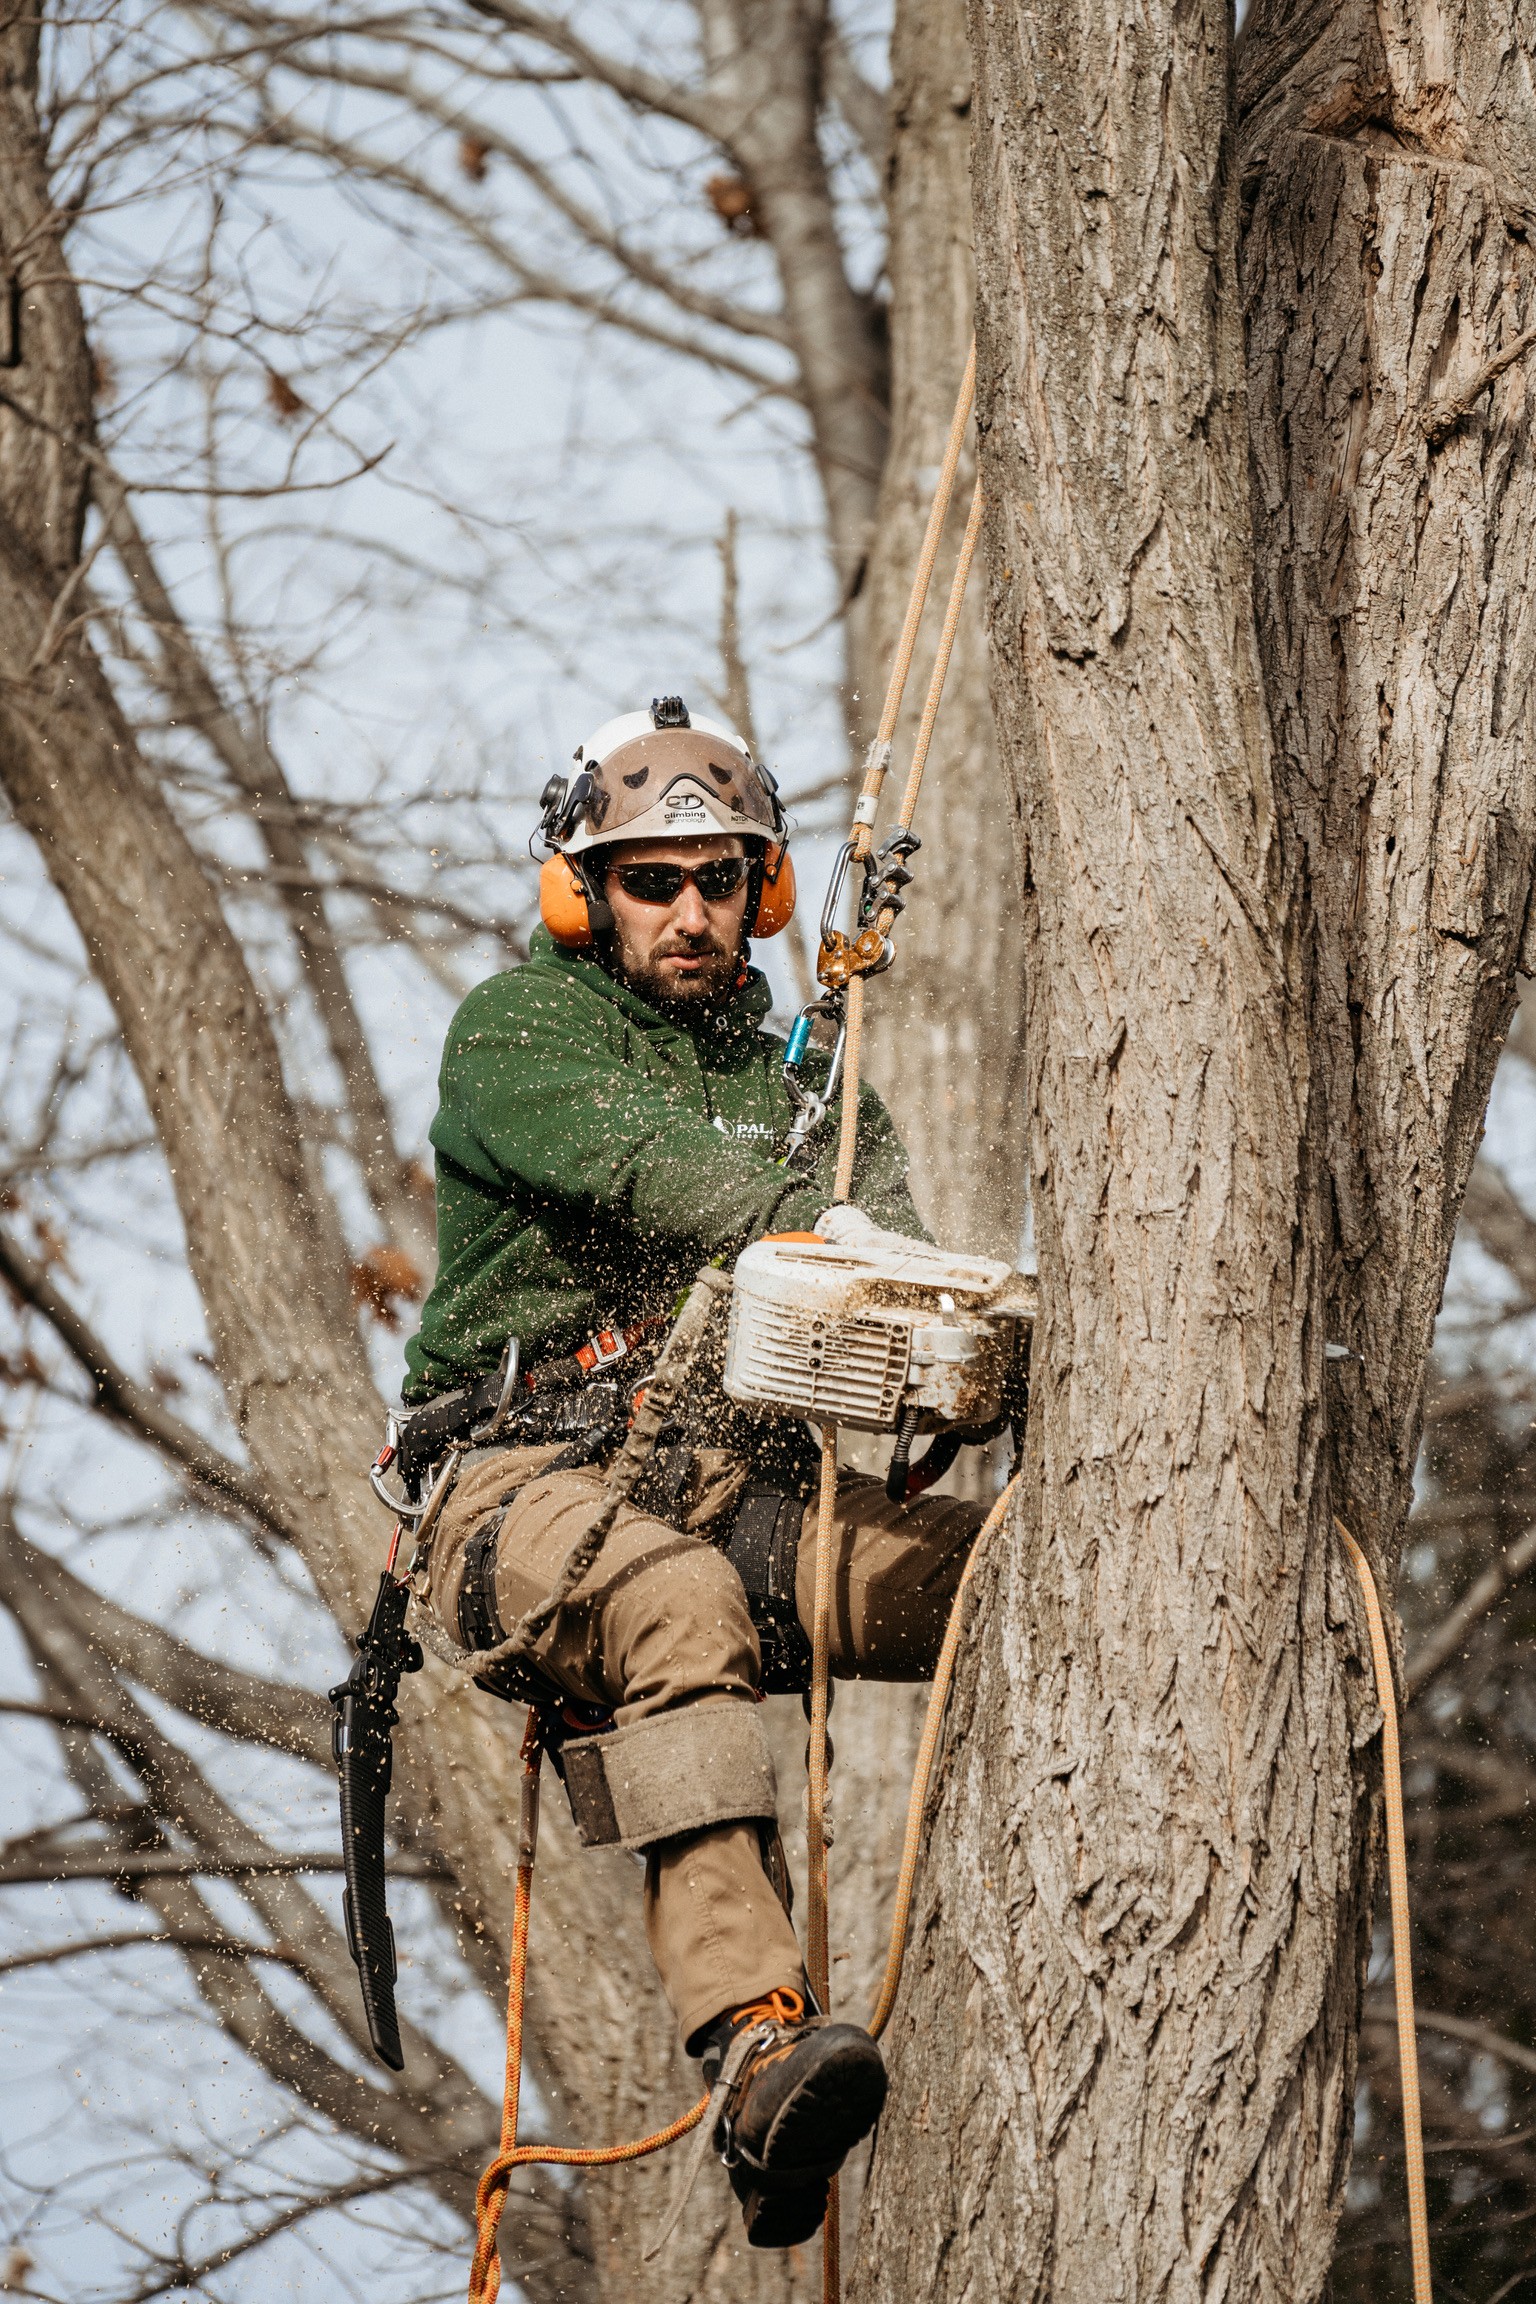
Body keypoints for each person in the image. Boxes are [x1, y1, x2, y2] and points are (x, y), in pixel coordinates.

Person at [403, 696, 988, 2248]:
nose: (688, 909)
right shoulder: (520, 1033)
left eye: (718, 878)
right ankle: (756, 2052)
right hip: (518, 1486)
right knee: (667, 1603)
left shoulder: (811, 1086)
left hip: (728, 1486)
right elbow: (653, 1170)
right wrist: (817, 1213)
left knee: (1000, 1578)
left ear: (764, 891)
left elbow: (898, 1239)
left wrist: (932, 1305)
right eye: (649, 878)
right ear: (582, 892)